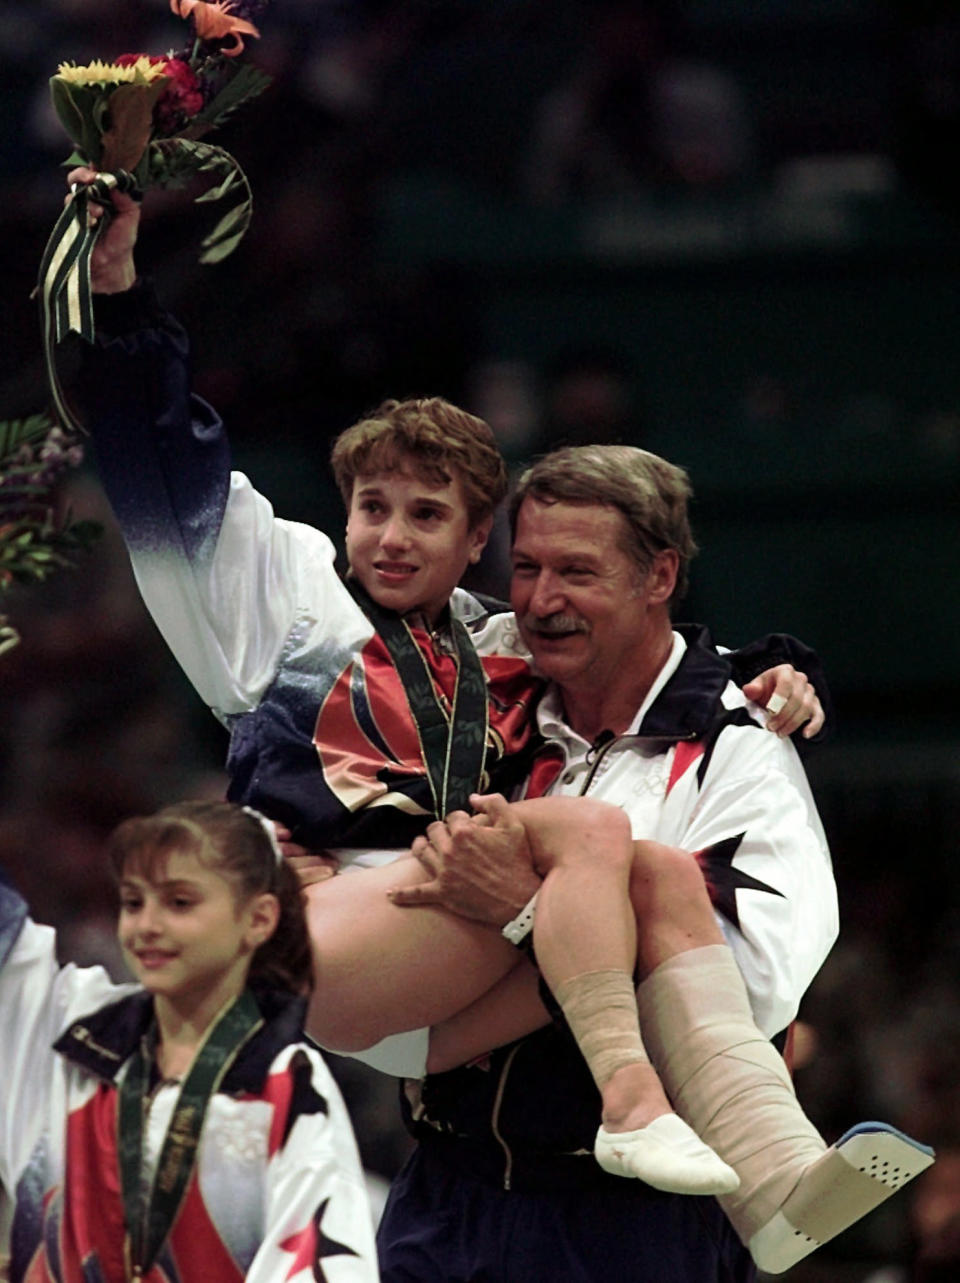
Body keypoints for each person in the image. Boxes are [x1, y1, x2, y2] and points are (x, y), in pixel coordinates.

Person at [69, 166, 828, 1198]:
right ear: (341, 515)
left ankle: (777, 1178)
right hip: (324, 933)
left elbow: (659, 652)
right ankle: (636, 1103)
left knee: (655, 874)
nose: (390, 536)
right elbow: (166, 464)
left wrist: (776, 669)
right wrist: (118, 299)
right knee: (593, 835)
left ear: (480, 540)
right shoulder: (290, 614)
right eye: (371, 507)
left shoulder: (504, 642)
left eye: (427, 516)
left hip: (442, 1000)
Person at [365, 445, 934, 1281]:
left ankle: (778, 1173)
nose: (542, 599)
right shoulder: (477, 692)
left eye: (577, 572)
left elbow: (756, 975)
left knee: (652, 877)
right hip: (448, 1194)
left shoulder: (741, 741)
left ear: (659, 575)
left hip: (640, 1220)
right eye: (525, 567)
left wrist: (528, 914)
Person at [0, 799, 378, 1283]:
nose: (147, 927)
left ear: (258, 919)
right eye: (134, 902)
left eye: (180, 902)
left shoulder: (284, 1084)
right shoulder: (65, 1032)